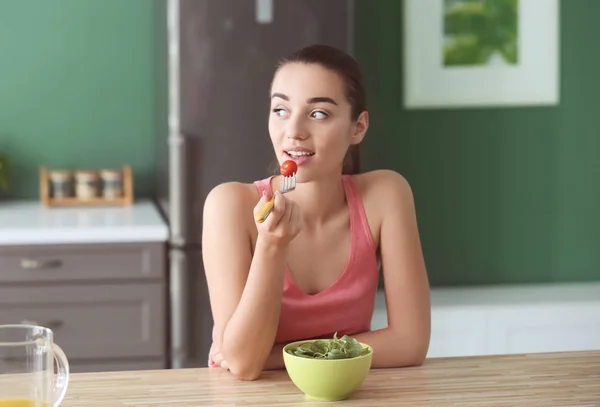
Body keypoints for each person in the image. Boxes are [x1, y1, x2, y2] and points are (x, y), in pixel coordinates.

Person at [202, 44, 431, 381]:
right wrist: (272, 246)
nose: (293, 131)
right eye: (280, 110)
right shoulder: (230, 205)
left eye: (318, 113)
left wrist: (277, 357)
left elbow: (410, 345)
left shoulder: (385, 196)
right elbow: (245, 367)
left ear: (358, 127)